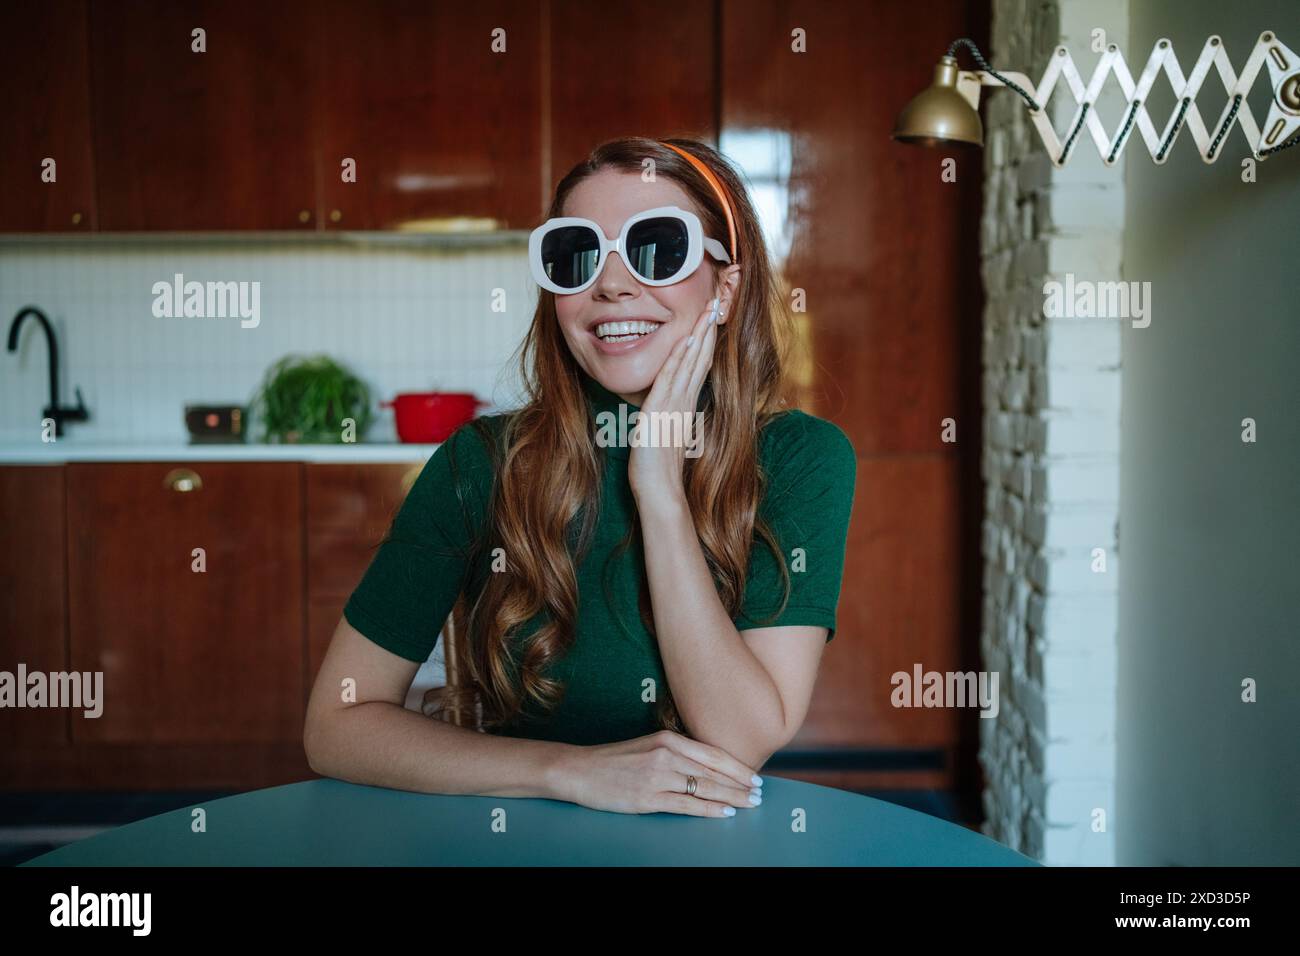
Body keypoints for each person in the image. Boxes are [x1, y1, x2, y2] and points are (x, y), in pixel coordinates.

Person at [304, 137, 857, 818]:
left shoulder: (801, 458)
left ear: (726, 286)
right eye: (576, 255)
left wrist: (657, 486)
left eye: (658, 247)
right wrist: (569, 772)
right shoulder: (480, 462)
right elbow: (334, 725)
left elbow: (741, 738)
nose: (612, 284)